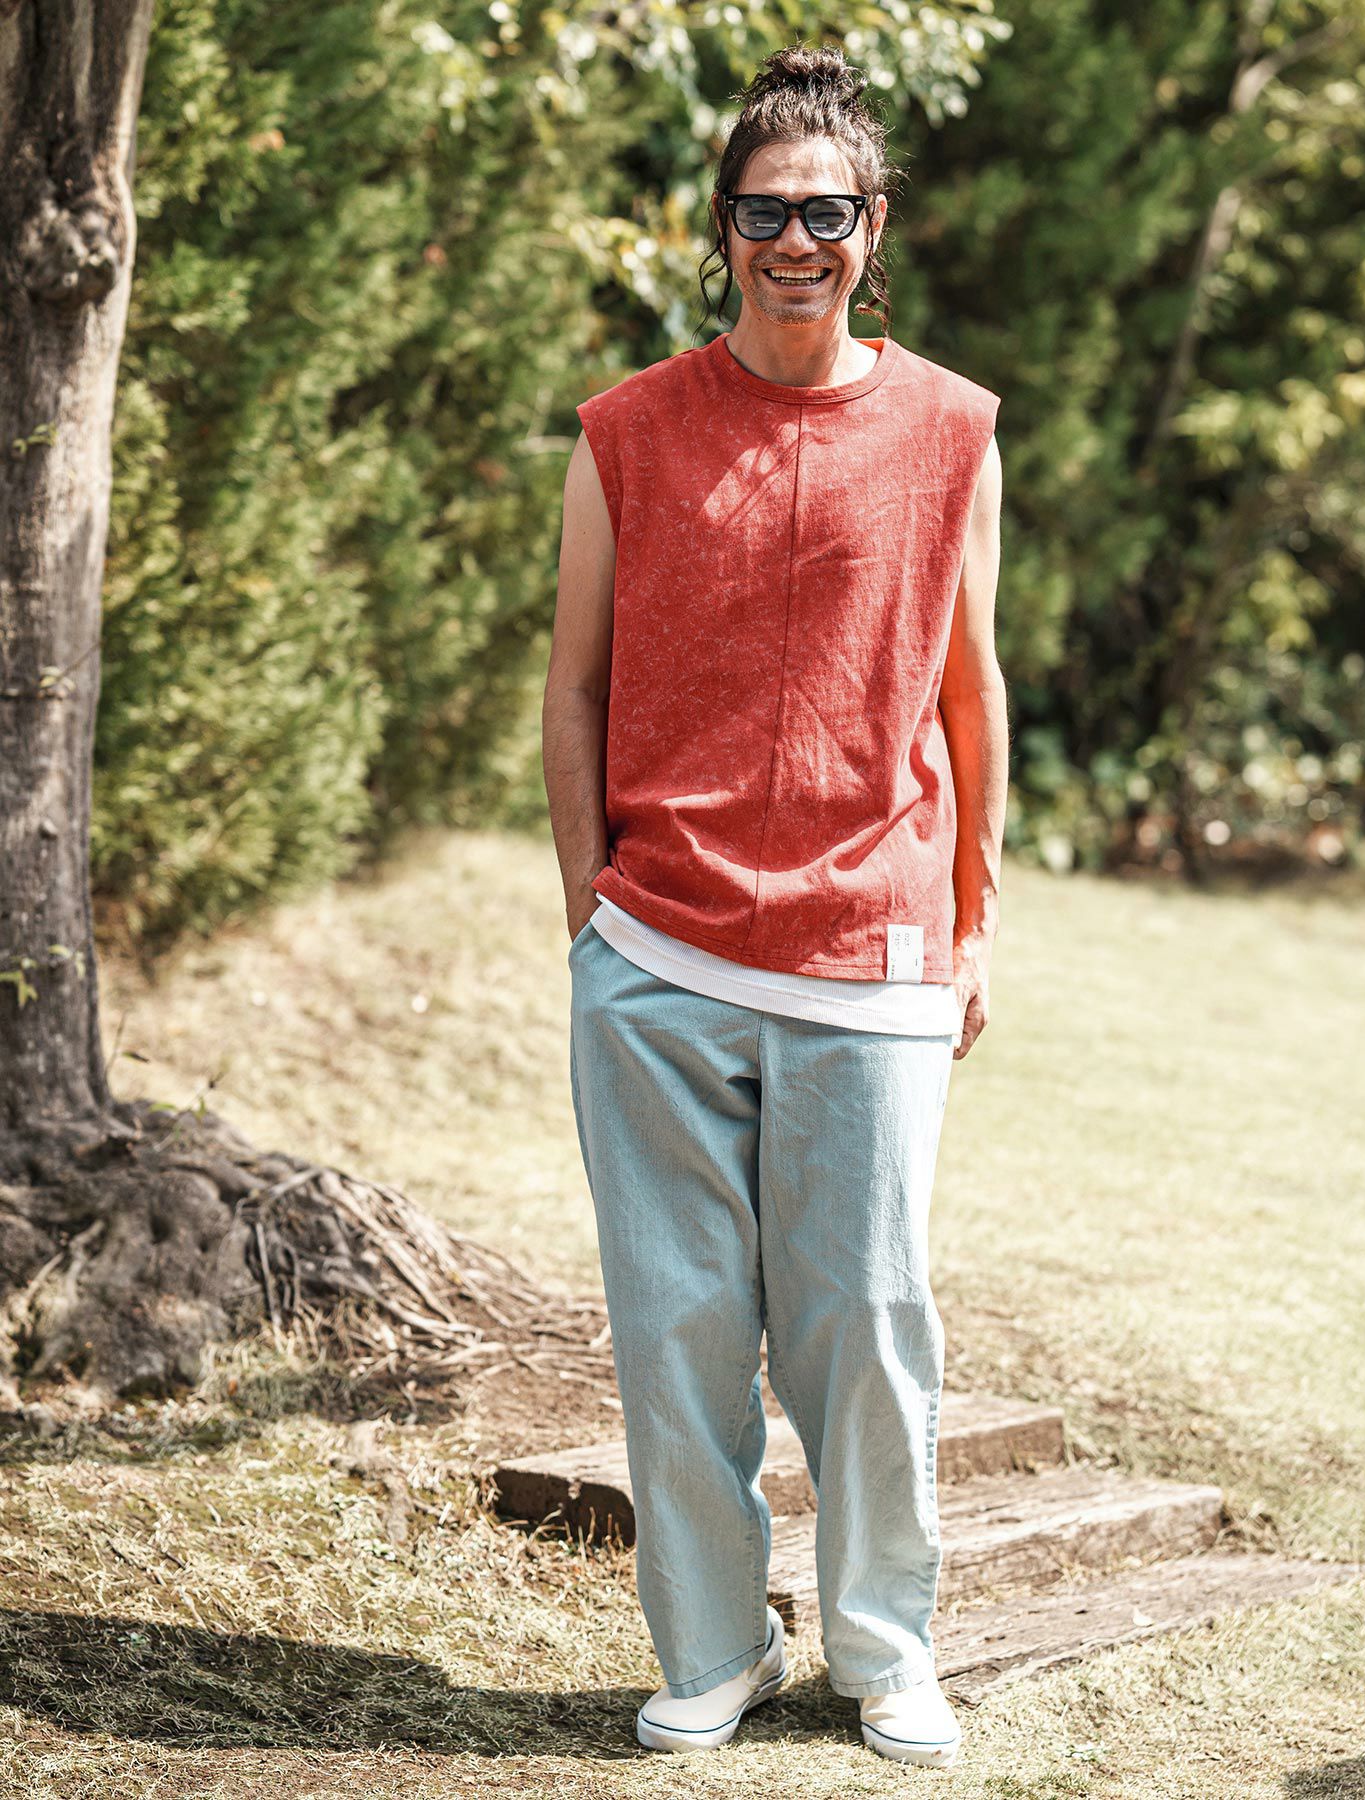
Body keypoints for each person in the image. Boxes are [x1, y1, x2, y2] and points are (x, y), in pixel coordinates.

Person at [543, 42, 1006, 1771]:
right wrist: (590, 918)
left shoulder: (952, 430)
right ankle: (715, 1647)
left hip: (871, 954)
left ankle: (886, 1649)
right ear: (721, 228)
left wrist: (974, 923)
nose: (795, 241)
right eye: (764, 212)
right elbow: (574, 686)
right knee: (676, 1333)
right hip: (655, 958)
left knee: (867, 1331)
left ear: (873, 229)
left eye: (827, 212)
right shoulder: (626, 433)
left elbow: (972, 695)